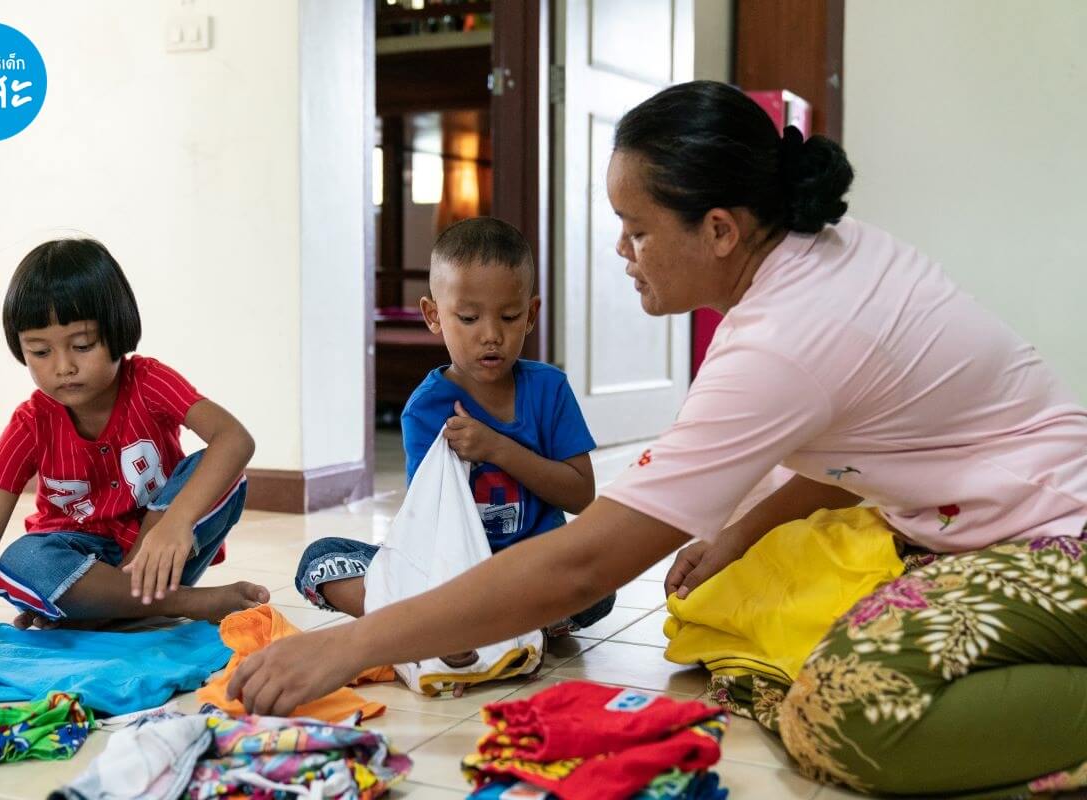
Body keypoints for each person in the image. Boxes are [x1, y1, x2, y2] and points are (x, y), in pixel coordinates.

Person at [228, 82, 1087, 798]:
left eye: (637, 228)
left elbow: (584, 564)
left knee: (837, 714)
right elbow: (868, 448)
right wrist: (740, 532)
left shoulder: (786, 337)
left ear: (717, 229)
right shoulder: (819, 262)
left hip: (1059, 539)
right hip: (962, 521)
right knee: (730, 608)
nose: (622, 249)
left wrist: (346, 644)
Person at [0, 238, 269, 704]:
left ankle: (106, 611)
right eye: (39, 352)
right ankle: (177, 605)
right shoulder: (30, 423)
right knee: (22, 562)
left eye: (82, 345)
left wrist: (175, 524)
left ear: (116, 332)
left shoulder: (150, 381)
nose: (63, 367)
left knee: (220, 472)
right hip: (81, 567)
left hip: (160, 555)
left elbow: (235, 439)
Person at [295, 217, 612, 664]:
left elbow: (581, 494)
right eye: (468, 317)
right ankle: (471, 627)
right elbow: (428, 522)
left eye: (509, 316)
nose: (491, 334)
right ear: (433, 316)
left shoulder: (549, 390)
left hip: (530, 570)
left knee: (598, 591)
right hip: (450, 576)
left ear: (531, 315)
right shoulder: (426, 409)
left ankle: (459, 628)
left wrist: (496, 449)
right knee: (320, 560)